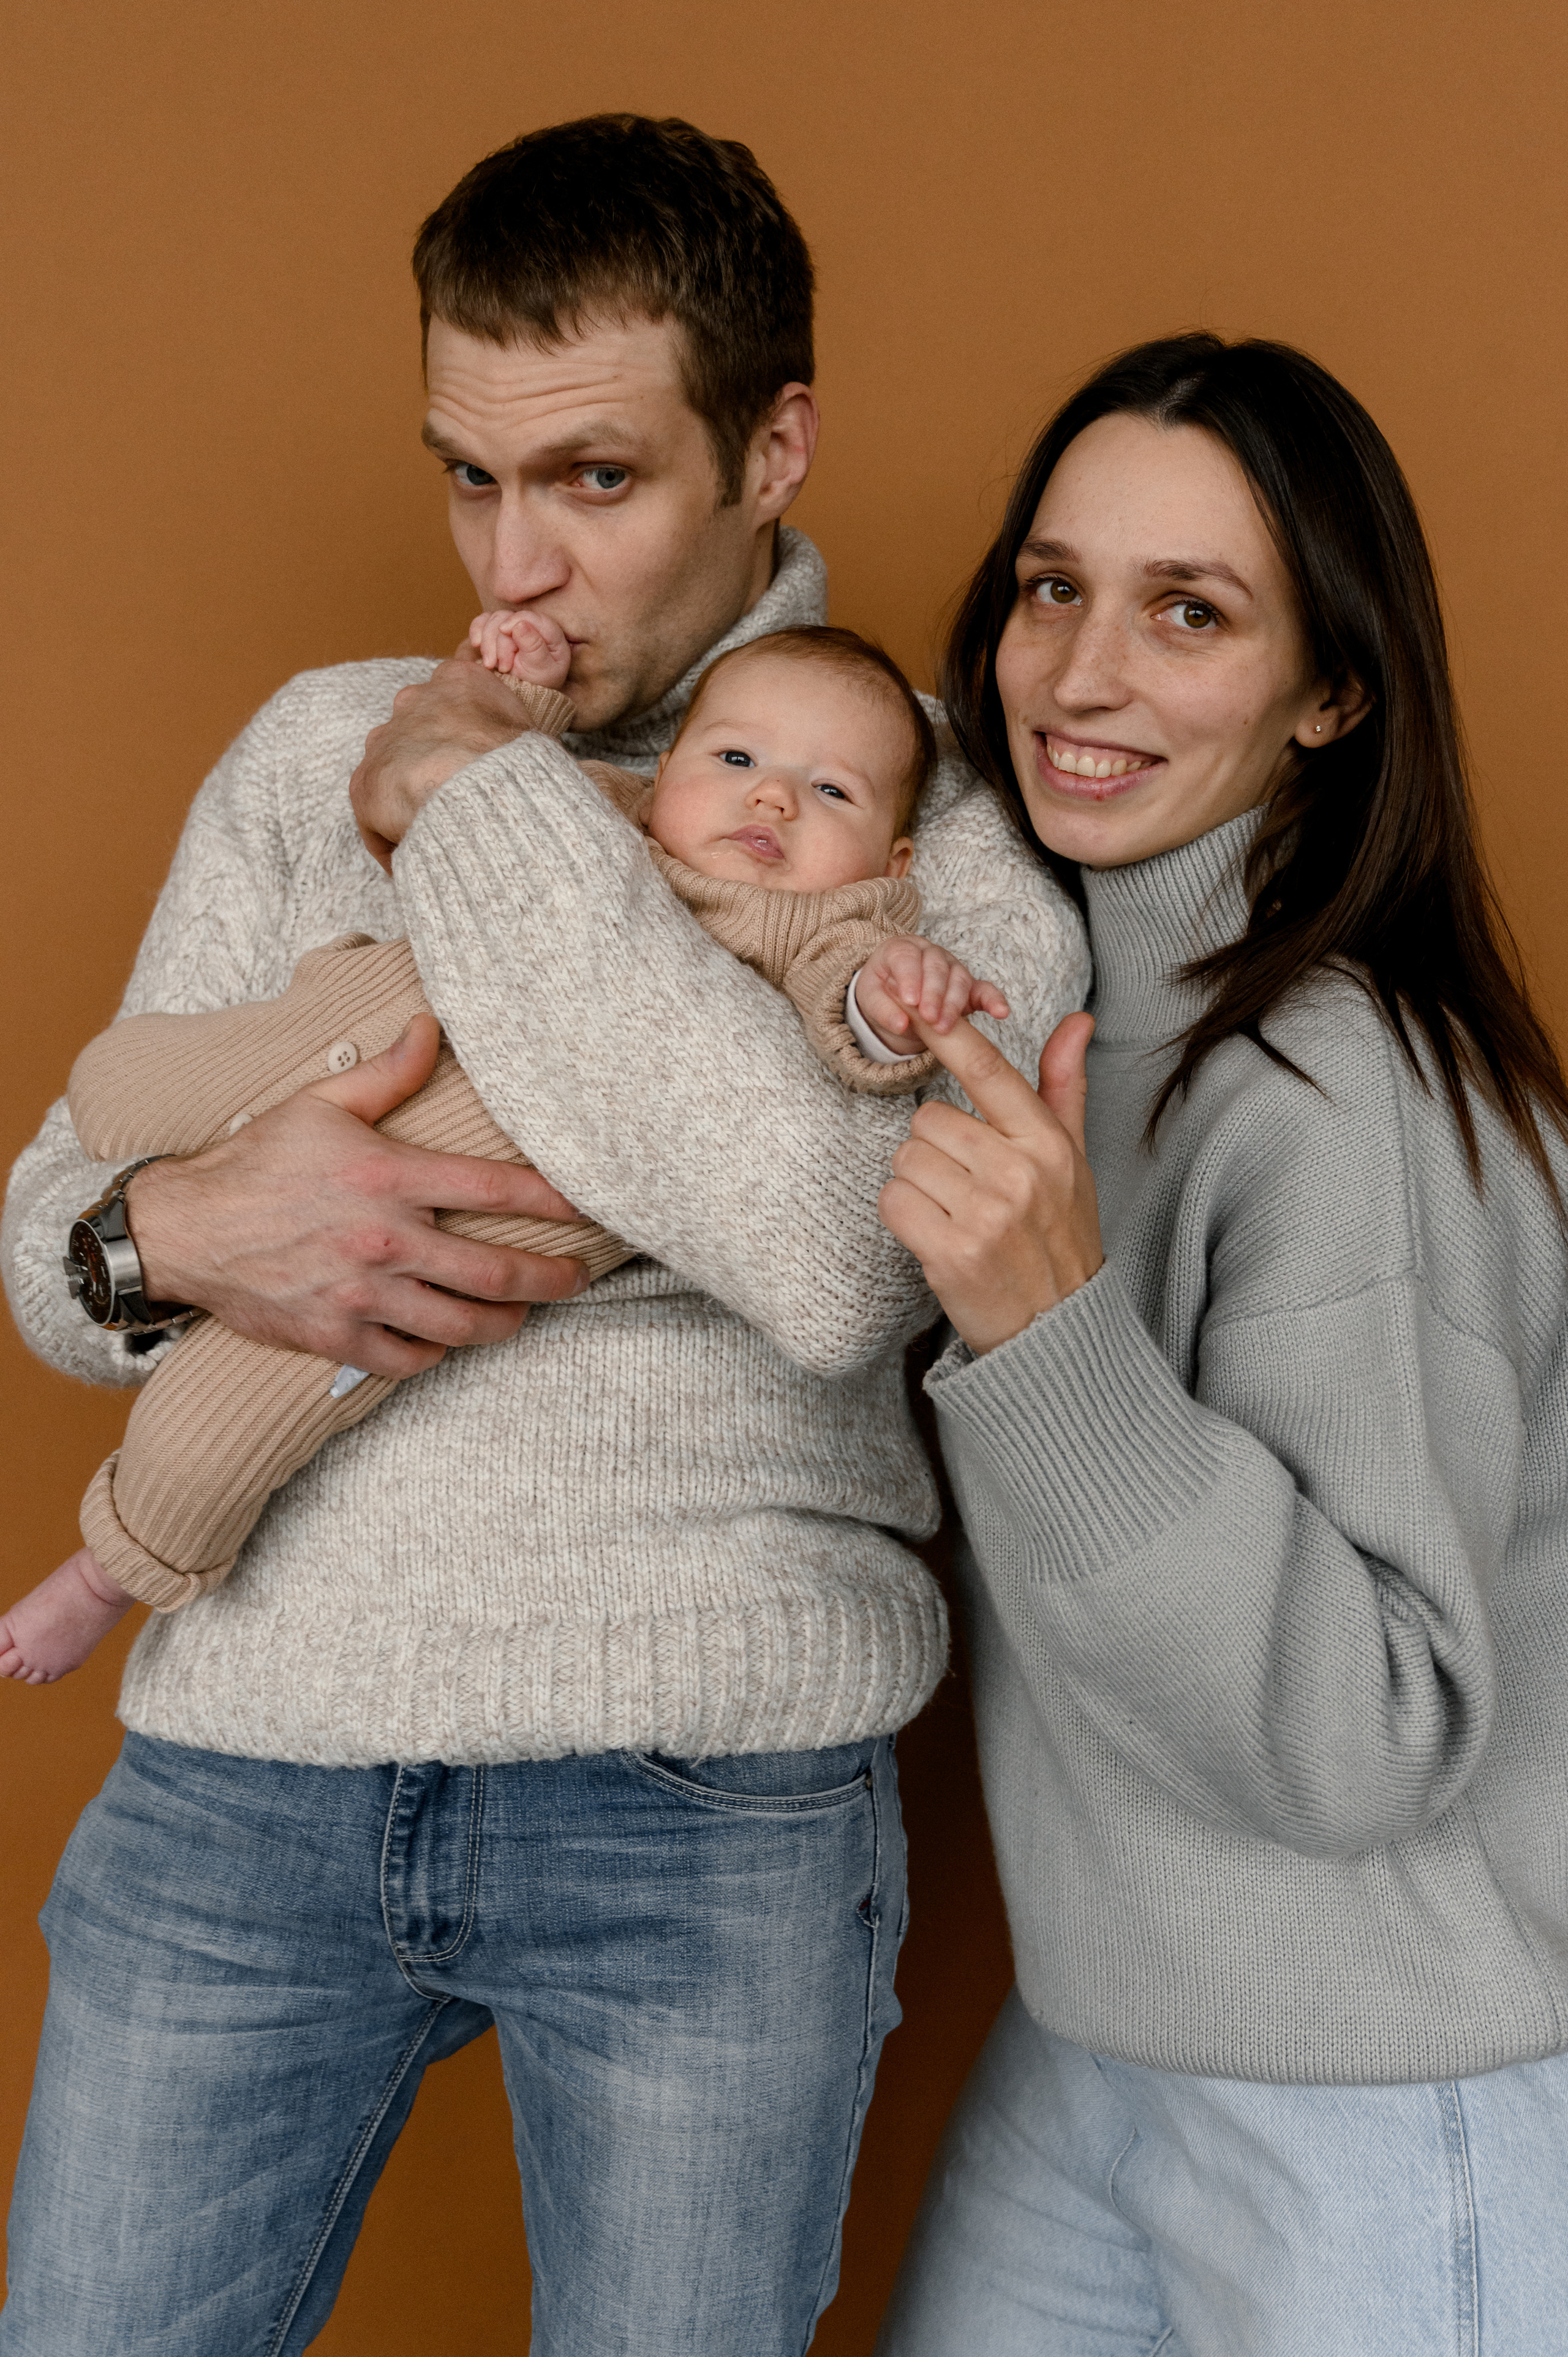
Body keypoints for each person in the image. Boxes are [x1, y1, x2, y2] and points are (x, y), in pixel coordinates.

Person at [0, 115, 1088, 2355]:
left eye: (598, 478)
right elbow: (49, 1251)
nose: (522, 555)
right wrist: (193, 1225)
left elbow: (821, 1254)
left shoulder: (936, 830)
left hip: (702, 1806)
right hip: (246, 1769)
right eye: (472, 479)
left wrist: (485, 799)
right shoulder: (316, 748)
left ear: (772, 446)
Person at [872, 332, 1568, 2355]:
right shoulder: (1051, 1016)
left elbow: (1369, 1730)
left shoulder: (1345, 1092)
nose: (1082, 673)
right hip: (1107, 2034)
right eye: (1052, 585)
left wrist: (1056, 1337)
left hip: (1384, 2073)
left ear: (1332, 689)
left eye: (1192, 611)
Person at [2, 619, 1010, 1667]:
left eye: (832, 793)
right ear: (666, 774)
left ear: (894, 859)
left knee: (218, 1420)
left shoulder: (822, 924)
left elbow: (847, 1047)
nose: (772, 799)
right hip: (328, 1036)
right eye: (737, 760)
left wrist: (894, 1001)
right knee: (114, 1079)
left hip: (451, 1222)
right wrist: (509, 696)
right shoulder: (593, 804)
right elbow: (490, 779)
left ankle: (106, 1573)